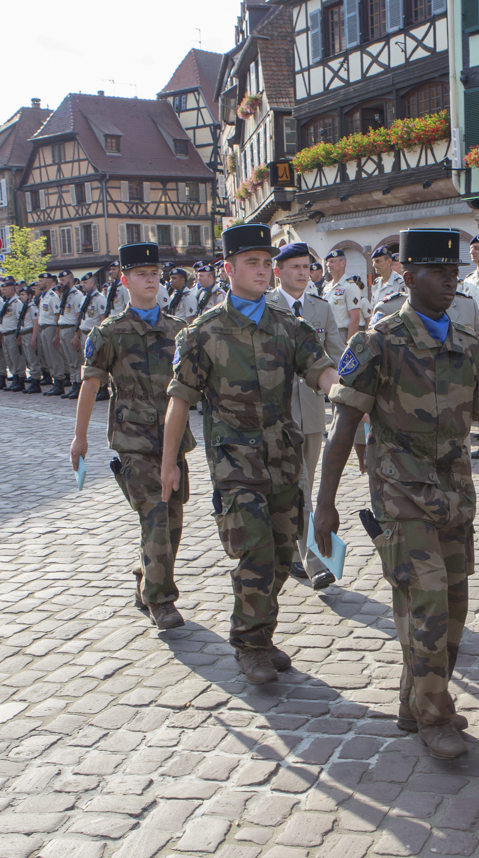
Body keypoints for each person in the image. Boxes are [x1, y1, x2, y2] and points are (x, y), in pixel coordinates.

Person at [314, 227, 479, 759]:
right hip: (400, 495)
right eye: (437, 272)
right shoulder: (378, 343)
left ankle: (414, 702)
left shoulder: (467, 347)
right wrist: (324, 503)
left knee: (453, 605)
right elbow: (343, 429)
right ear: (408, 278)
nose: (449, 281)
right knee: (427, 600)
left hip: (454, 494)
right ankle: (436, 716)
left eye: (453, 272)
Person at [162, 223, 343, 684]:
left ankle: (261, 632)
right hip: (234, 462)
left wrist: (343, 395)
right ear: (229, 269)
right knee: (256, 549)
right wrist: (169, 464)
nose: (262, 271)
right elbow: (179, 400)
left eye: (266, 263)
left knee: (282, 552)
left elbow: (321, 370)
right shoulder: (204, 332)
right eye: (251, 263)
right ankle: (250, 645)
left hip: (283, 457)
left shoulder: (289, 326)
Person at [71, 242, 195, 629]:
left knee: (172, 522)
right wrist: (79, 437)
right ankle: (161, 600)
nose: (150, 280)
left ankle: (146, 575)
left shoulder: (178, 330)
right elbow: (91, 384)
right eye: (142, 274)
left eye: (154, 274)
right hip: (134, 443)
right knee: (155, 516)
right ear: (125, 281)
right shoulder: (110, 332)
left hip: (173, 442)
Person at [267, 242, 346, 590]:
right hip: (277, 413)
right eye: (295, 267)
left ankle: (294, 553)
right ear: (278, 272)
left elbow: (337, 355)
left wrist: (349, 395)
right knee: (295, 485)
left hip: (312, 412)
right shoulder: (265, 307)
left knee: (305, 484)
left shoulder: (321, 308)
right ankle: (313, 561)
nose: (303, 273)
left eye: (306, 267)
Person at [58, 270, 87, 398]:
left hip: (71, 329)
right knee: (69, 360)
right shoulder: (65, 295)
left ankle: (78, 385)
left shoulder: (76, 295)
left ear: (70, 280)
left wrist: (76, 335)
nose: (60, 283)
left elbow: (78, 317)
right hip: (63, 328)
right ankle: (73, 383)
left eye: (63, 280)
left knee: (76, 360)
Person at [0, 278, 26, 391]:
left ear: (11, 289)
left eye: (4, 289)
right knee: (9, 358)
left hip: (13, 334)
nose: (2, 291)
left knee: (16, 358)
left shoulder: (16, 303)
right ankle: (15, 377)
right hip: (5, 334)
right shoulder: (6, 302)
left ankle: (20, 379)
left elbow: (20, 320)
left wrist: (19, 335)